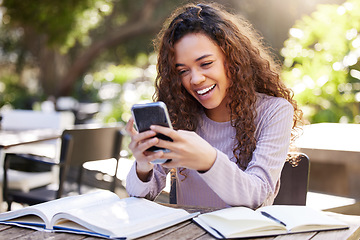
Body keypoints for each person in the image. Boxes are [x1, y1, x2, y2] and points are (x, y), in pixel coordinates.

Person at [125, 2, 302, 209]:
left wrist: (207, 160)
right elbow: (139, 197)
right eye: (183, 71)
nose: (196, 79)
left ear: (233, 59)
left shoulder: (274, 111)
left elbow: (258, 197)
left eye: (206, 64)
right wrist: (143, 165)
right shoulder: (180, 114)